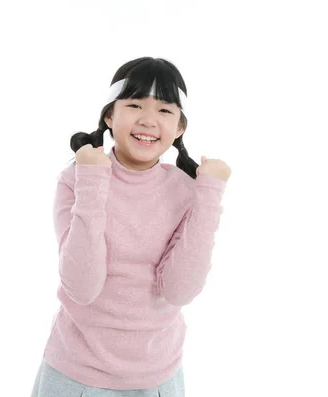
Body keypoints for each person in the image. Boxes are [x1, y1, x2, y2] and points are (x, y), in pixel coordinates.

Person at [31, 57, 231, 397]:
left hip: (156, 379)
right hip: (74, 375)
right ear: (110, 115)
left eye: (165, 111)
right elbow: (83, 286)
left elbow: (180, 290)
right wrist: (93, 179)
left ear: (180, 127)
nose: (148, 120)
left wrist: (209, 195)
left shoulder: (186, 190)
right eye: (135, 104)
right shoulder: (75, 179)